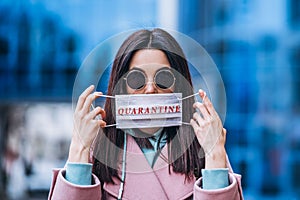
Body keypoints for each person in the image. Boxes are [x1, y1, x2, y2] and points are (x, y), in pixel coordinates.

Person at [48, 28, 243, 200]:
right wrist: (79, 148)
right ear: (121, 86)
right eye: (136, 79)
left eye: (164, 78)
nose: (150, 89)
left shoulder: (203, 144)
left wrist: (215, 154)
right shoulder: (97, 147)